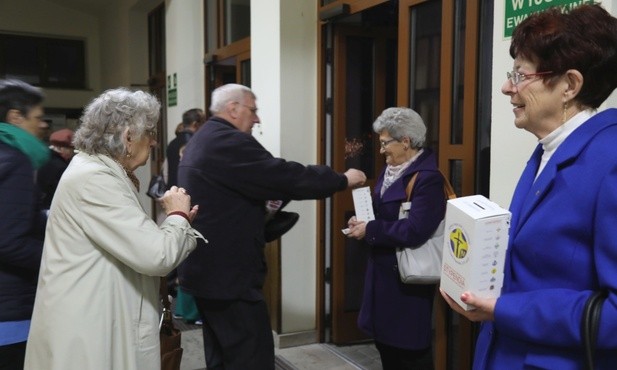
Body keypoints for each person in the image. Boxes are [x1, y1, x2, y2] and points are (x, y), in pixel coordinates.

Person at [440, 4, 617, 369]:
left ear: (569, 85)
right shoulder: (547, 151)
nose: (507, 87)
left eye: (520, 74)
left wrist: (505, 310)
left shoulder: (610, 161)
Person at [177, 83, 367, 370]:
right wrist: (340, 179)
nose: (257, 119)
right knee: (250, 356)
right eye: (253, 110)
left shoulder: (205, 138)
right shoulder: (228, 142)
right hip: (228, 278)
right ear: (233, 109)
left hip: (208, 273)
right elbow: (282, 175)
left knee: (221, 355)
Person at [24, 88, 205, 370]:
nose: (155, 141)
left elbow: (136, 243)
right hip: (91, 329)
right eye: (150, 133)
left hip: (96, 316)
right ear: (128, 136)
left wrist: (178, 223)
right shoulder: (95, 179)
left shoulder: (98, 171)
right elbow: (156, 256)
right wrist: (178, 214)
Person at [345, 107, 445, 370]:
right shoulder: (391, 172)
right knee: (387, 351)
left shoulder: (428, 179)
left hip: (406, 284)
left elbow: (415, 230)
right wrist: (362, 224)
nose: (381, 151)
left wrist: (372, 229)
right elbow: (382, 215)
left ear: (406, 141)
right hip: (382, 277)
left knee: (410, 356)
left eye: (384, 143)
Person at [0, 79, 49, 370]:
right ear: (15, 117)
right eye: (38, 117)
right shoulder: (14, 160)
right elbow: (8, 241)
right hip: (9, 310)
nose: (43, 125)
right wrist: (60, 257)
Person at [37, 128, 76, 210]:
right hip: (50, 208)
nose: (72, 153)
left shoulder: (42, 158)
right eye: (71, 149)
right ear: (62, 148)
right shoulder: (61, 167)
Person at [166, 108, 205, 188]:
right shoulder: (196, 143)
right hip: (188, 194)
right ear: (195, 124)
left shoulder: (172, 143)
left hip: (173, 190)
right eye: (203, 123)